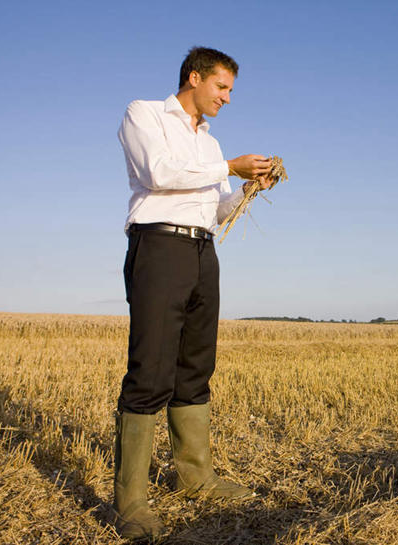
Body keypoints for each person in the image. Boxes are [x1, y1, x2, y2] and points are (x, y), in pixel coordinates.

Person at [114, 46, 274, 540]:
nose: (227, 98)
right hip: (159, 246)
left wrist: (247, 191)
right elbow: (158, 175)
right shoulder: (144, 114)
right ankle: (131, 503)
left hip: (203, 251)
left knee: (196, 364)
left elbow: (210, 210)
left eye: (230, 91)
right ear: (194, 77)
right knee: (151, 368)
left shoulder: (210, 143)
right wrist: (230, 166)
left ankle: (195, 475)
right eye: (221, 87)